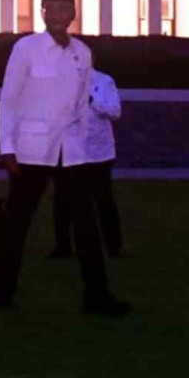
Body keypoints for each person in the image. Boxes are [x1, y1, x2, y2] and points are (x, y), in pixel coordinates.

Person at [0, 0, 130, 316]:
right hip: (31, 151)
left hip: (71, 152)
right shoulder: (26, 48)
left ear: (73, 12)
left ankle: (97, 296)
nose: (57, 14)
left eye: (63, 7)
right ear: (42, 12)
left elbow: (82, 104)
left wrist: (83, 146)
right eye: (50, 7)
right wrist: (7, 148)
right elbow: (8, 100)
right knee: (17, 225)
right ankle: (2, 294)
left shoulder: (82, 52)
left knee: (86, 225)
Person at [50, 68, 124, 259]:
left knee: (103, 199)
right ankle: (63, 247)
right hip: (68, 150)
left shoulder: (105, 81)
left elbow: (115, 112)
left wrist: (92, 101)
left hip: (98, 153)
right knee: (62, 198)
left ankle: (113, 247)